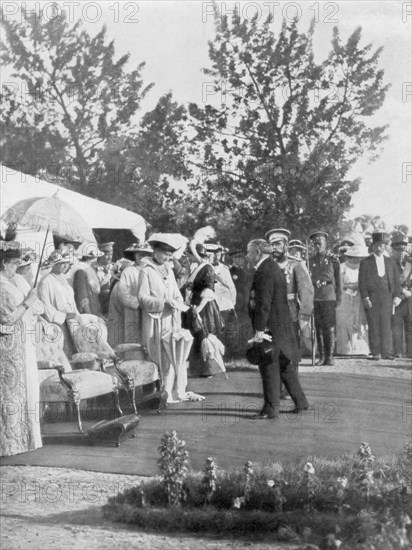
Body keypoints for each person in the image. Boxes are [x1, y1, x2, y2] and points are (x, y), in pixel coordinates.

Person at [247, 239, 309, 419]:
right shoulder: (273, 267)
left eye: (249, 251)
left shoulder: (265, 270)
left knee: (269, 366)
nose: (247, 255)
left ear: (258, 252)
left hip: (270, 327)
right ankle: (301, 402)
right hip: (281, 325)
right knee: (284, 366)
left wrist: (259, 330)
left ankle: (270, 409)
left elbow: (263, 304)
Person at [138, 234, 198, 403]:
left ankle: (171, 391)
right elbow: (142, 298)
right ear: (155, 252)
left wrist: (180, 303)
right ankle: (156, 395)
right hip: (156, 320)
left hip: (172, 320)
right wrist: (164, 302)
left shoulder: (169, 271)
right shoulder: (146, 271)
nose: (168, 257)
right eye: (165, 253)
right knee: (157, 355)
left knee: (172, 353)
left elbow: (177, 295)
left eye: (170, 254)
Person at [0, 240, 43, 456]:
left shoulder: (10, 283)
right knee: (11, 393)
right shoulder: (1, 286)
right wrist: (27, 301)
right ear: (4, 263)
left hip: (19, 344)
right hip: (8, 347)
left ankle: (21, 439)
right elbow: (8, 318)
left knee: (20, 391)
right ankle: (9, 442)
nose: (17, 268)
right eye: (15, 264)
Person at [266, 228, 314, 395]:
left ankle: (289, 388)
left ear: (286, 245)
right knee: (272, 352)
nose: (274, 248)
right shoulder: (266, 265)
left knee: (289, 353)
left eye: (278, 244)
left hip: (290, 313)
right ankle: (276, 388)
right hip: (270, 316)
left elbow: (307, 291)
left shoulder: (296, 265)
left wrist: (304, 316)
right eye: (271, 244)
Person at [359, 232, 401, 360]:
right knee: (374, 324)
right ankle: (375, 352)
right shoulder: (366, 262)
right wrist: (365, 297)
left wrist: (396, 296)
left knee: (386, 324)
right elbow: (362, 282)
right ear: (372, 247)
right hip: (372, 297)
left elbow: (396, 281)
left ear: (385, 247)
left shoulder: (390, 262)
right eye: (376, 246)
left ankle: (386, 351)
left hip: (387, 296)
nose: (379, 248)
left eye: (382, 246)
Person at [186, 243, 225, 377]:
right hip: (196, 303)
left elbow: (209, 290)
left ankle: (209, 369)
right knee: (197, 335)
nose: (189, 258)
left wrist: (199, 308)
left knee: (205, 334)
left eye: (190, 255)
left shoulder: (207, 268)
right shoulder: (198, 268)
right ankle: (198, 369)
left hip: (205, 305)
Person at [107, 242, 152, 347]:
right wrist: (139, 303)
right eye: (140, 254)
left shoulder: (150, 271)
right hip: (133, 309)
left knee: (147, 335)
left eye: (146, 255)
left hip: (148, 309)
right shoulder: (129, 271)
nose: (143, 258)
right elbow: (124, 294)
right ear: (135, 256)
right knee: (132, 334)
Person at [308, 230, 342, 366]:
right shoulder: (309, 260)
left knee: (329, 327)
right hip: (315, 297)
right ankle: (322, 356)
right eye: (315, 244)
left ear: (325, 244)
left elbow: (339, 281)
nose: (317, 246)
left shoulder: (334, 259)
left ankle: (330, 356)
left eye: (320, 243)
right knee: (318, 327)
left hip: (329, 296)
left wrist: (339, 297)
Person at [37, 251, 80, 358]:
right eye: (61, 263)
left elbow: (71, 301)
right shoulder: (45, 281)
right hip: (56, 324)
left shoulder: (64, 280)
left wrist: (75, 315)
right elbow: (45, 307)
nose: (65, 266)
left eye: (66, 263)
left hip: (70, 321)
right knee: (64, 353)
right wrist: (64, 316)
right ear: (54, 265)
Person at [336, 245, 370, 355]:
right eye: (356, 257)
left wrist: (359, 287)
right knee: (344, 321)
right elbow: (338, 283)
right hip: (345, 297)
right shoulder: (341, 267)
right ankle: (345, 350)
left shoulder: (364, 267)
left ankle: (360, 349)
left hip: (359, 297)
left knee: (359, 321)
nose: (359, 259)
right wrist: (349, 286)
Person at [208, 243, 237, 355]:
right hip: (209, 303)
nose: (216, 256)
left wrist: (232, 302)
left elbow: (231, 286)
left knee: (223, 329)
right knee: (212, 329)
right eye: (213, 253)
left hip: (223, 304)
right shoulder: (204, 267)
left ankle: (223, 353)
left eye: (218, 253)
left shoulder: (224, 268)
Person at [390, 232, 412, 358]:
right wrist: (402, 292)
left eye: (403, 249)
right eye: (398, 250)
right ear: (393, 250)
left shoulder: (410, 263)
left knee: (410, 327)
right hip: (395, 299)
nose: (401, 252)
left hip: (409, 299)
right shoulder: (389, 264)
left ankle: (410, 352)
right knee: (397, 327)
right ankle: (397, 352)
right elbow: (390, 282)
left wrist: (407, 293)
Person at [73, 244, 104, 317]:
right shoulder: (80, 272)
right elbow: (82, 298)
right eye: (94, 258)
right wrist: (90, 316)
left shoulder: (89, 271)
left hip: (95, 313)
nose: (96, 260)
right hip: (87, 315)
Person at [96, 242, 115, 317]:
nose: (110, 257)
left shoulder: (115, 267)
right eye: (107, 254)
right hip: (101, 304)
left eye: (111, 254)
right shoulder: (94, 269)